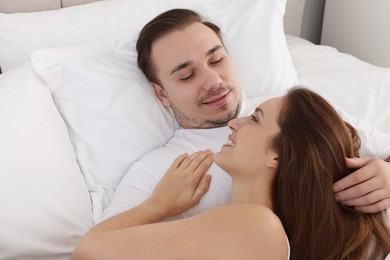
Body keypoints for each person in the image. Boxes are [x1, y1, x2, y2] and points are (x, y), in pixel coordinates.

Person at [102, 8, 390, 222]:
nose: (213, 80)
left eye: (217, 59)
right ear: (161, 94)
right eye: (187, 75)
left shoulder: (294, 107)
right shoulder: (159, 169)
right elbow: (98, 247)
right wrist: (159, 205)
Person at [74, 87, 390, 259]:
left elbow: (89, 252)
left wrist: (159, 205)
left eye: (256, 119)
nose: (234, 123)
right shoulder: (257, 231)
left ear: (277, 154)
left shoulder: (257, 226)